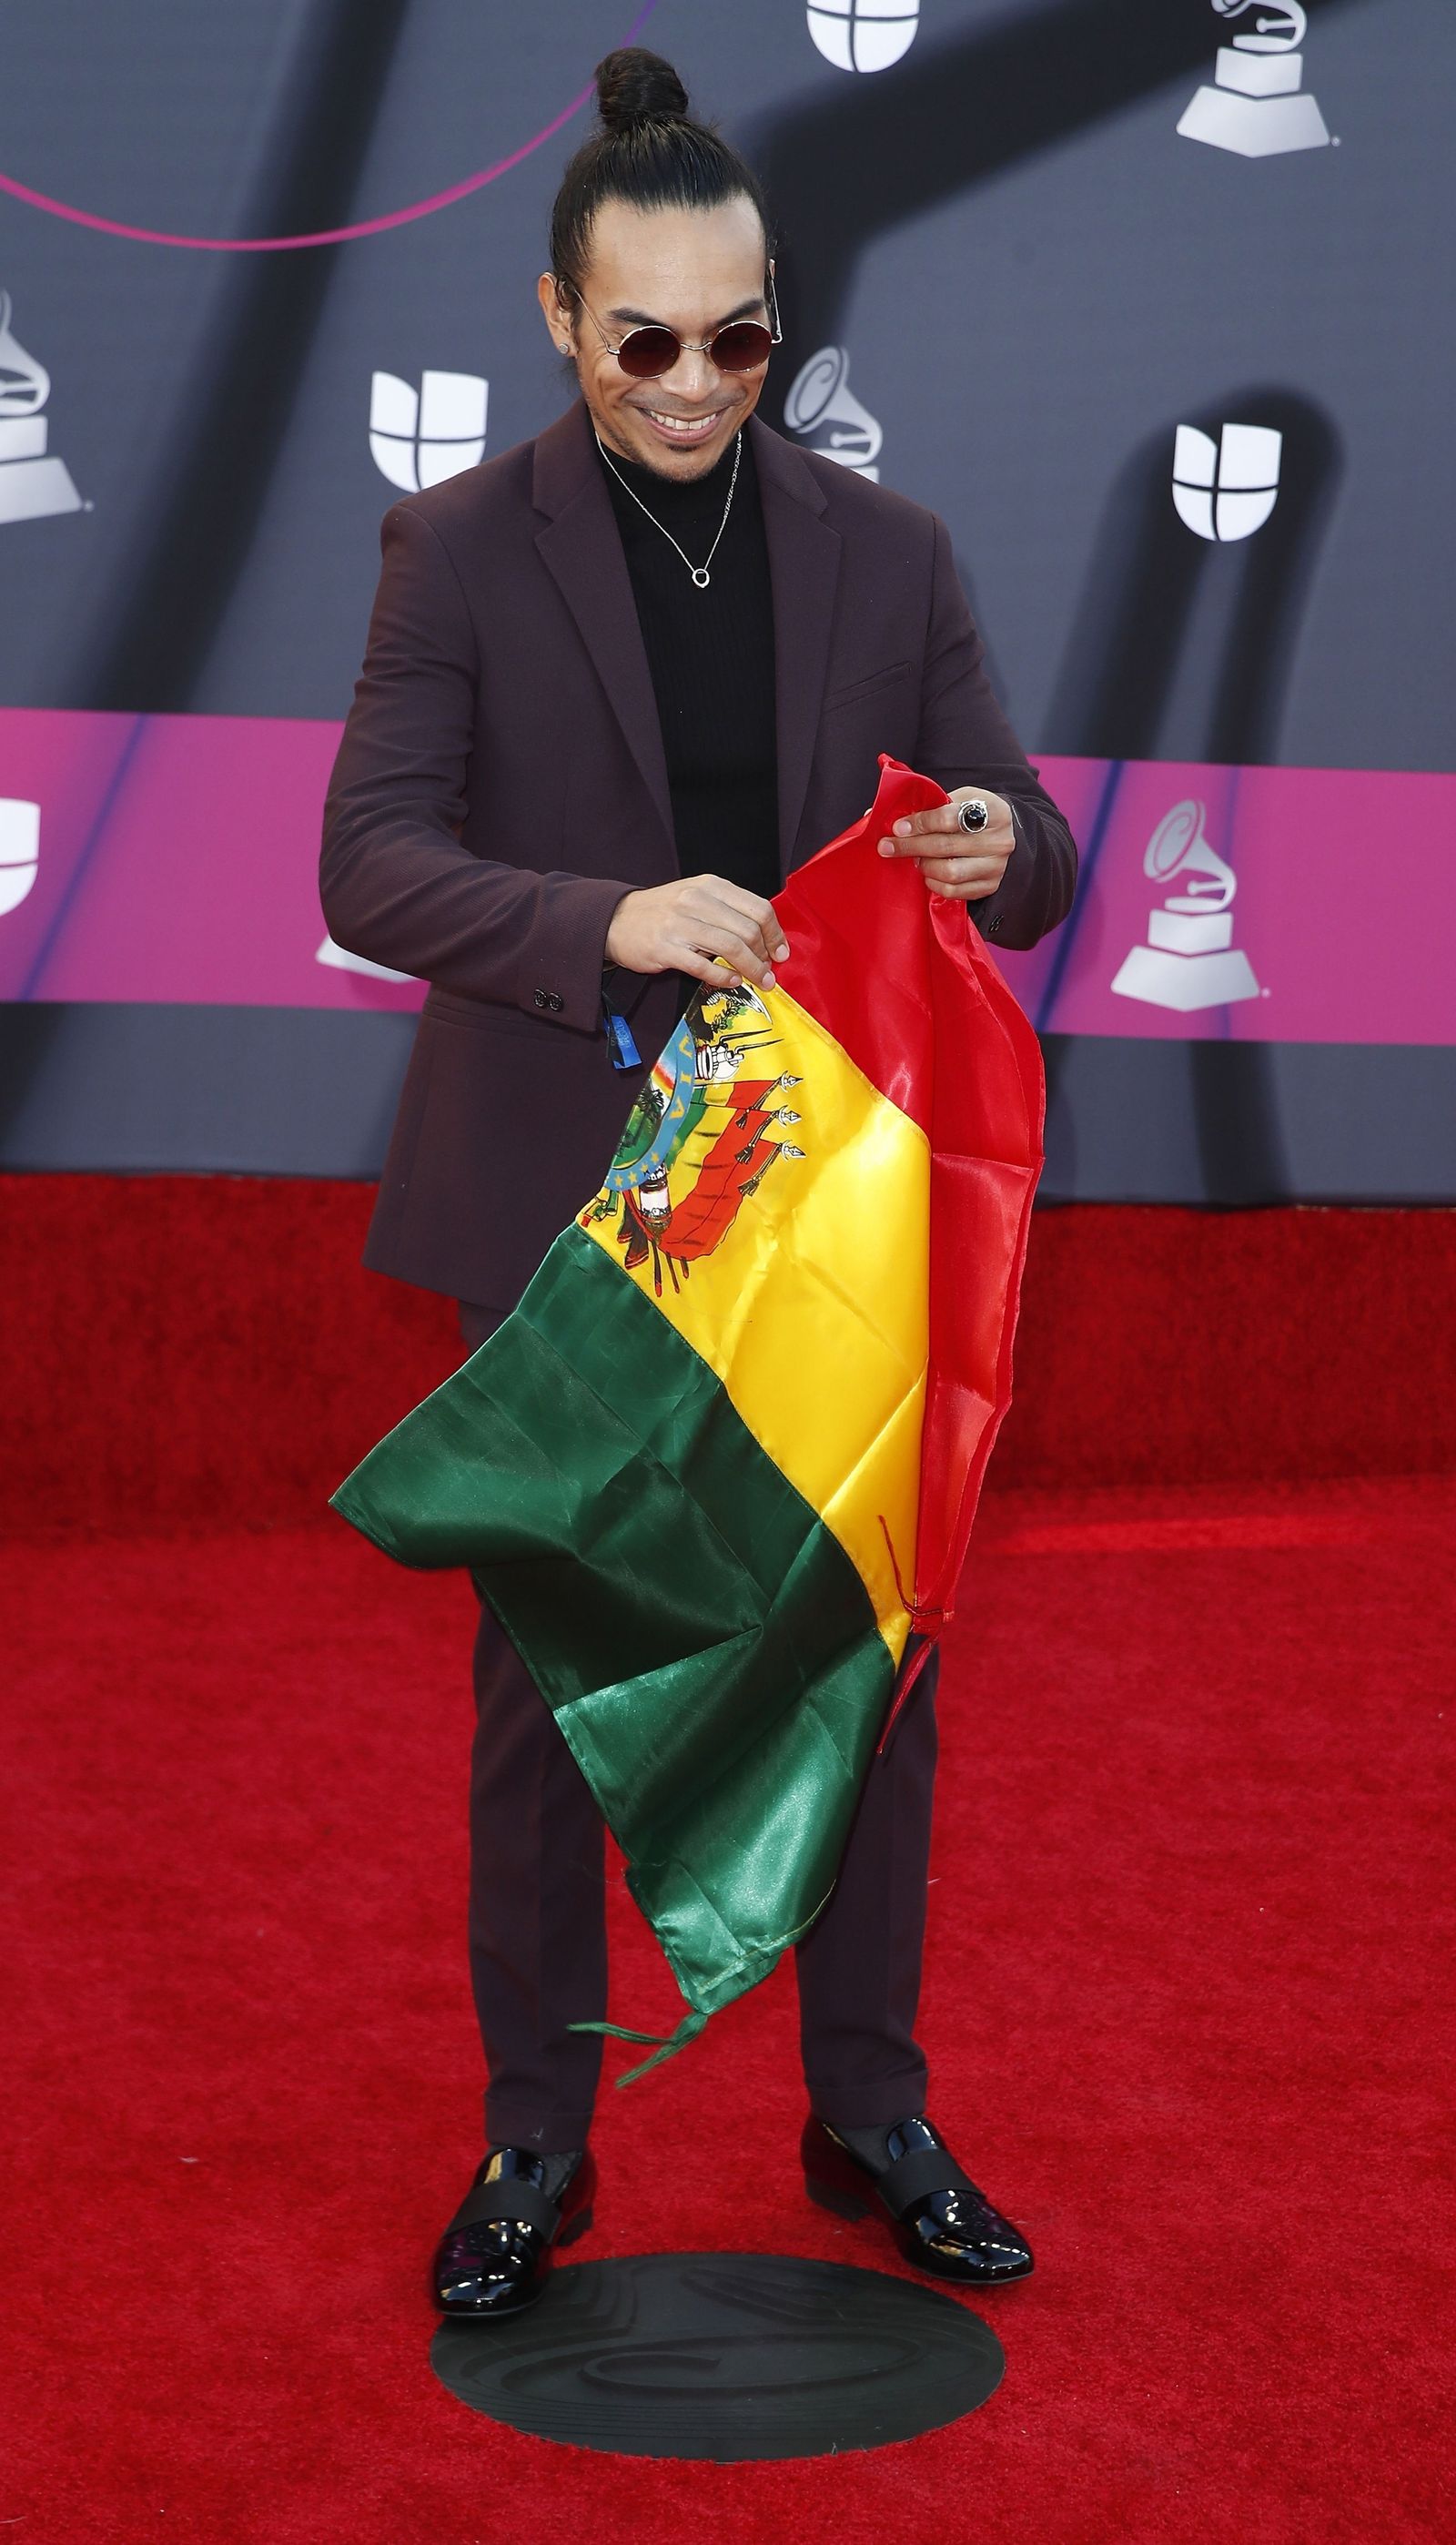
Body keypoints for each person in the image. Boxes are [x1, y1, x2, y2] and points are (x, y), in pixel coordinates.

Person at [320, 46, 1077, 2319]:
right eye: (638, 337)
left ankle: (866, 2113)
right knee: (553, 1689)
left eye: (736, 338)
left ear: (784, 317)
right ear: (558, 318)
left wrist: (993, 849)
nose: (688, 381)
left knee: (870, 1670)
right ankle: (533, 2145)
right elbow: (370, 862)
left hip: (830, 1210)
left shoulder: (891, 551)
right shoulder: (457, 544)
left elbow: (1028, 849)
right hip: (576, 1220)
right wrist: (608, 921)